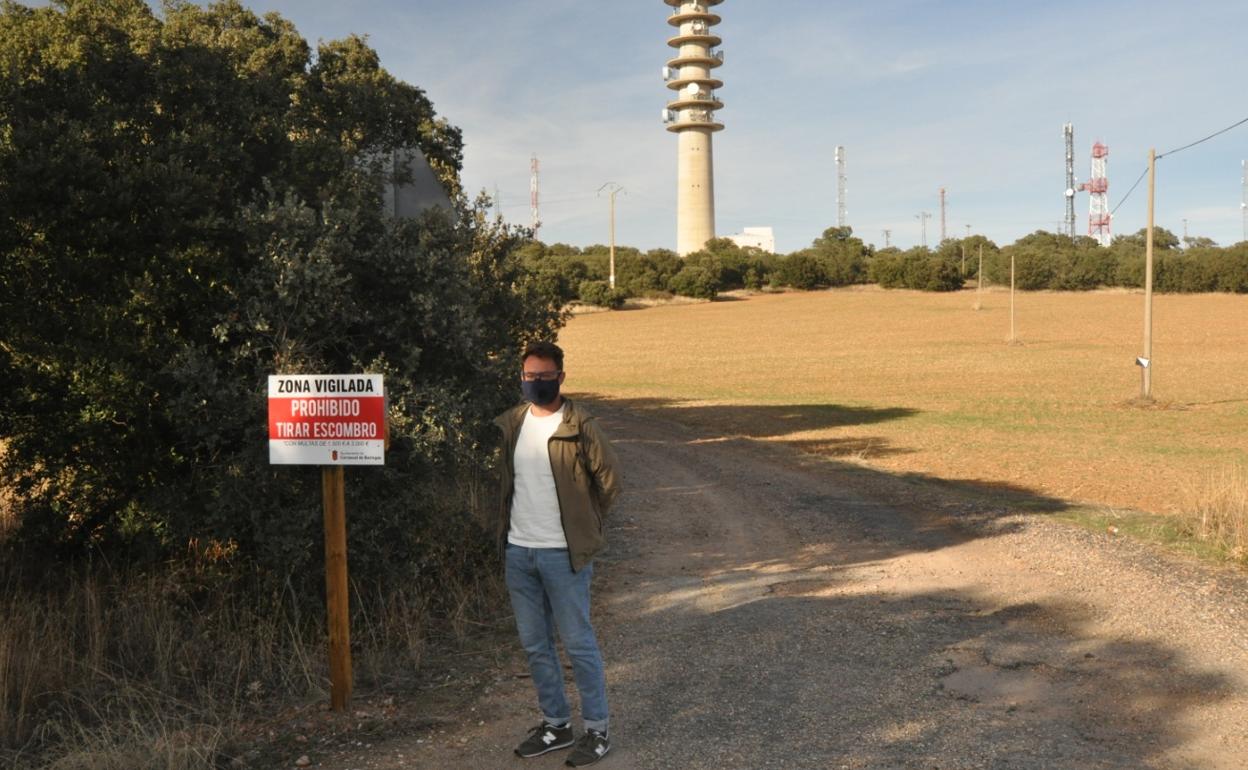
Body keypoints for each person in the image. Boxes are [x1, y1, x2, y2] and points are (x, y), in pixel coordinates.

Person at [492, 340, 622, 766]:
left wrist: (583, 527)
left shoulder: (581, 425)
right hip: (519, 552)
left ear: (561, 378)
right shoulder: (513, 422)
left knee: (578, 644)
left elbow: (609, 484)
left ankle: (597, 731)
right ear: (522, 377)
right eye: (530, 376)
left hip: (564, 555)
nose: (537, 383)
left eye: (545, 376)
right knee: (535, 645)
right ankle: (556, 724)